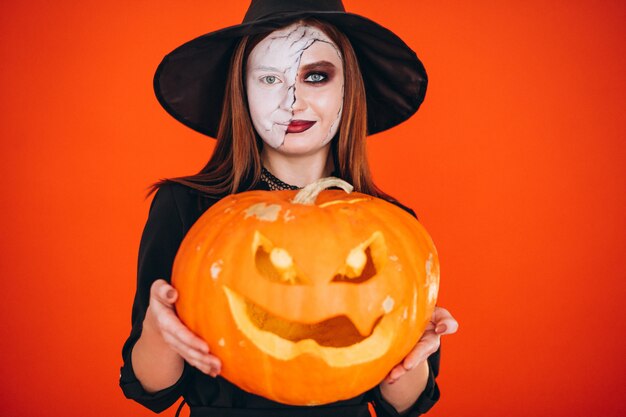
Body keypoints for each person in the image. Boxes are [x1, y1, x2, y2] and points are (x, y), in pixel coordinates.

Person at [120, 1, 458, 416]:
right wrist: (158, 328)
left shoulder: (392, 228)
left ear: (348, 88)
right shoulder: (187, 208)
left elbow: (406, 405)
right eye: (269, 78)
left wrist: (412, 349)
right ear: (242, 90)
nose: (292, 101)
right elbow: (151, 388)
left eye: (315, 76)